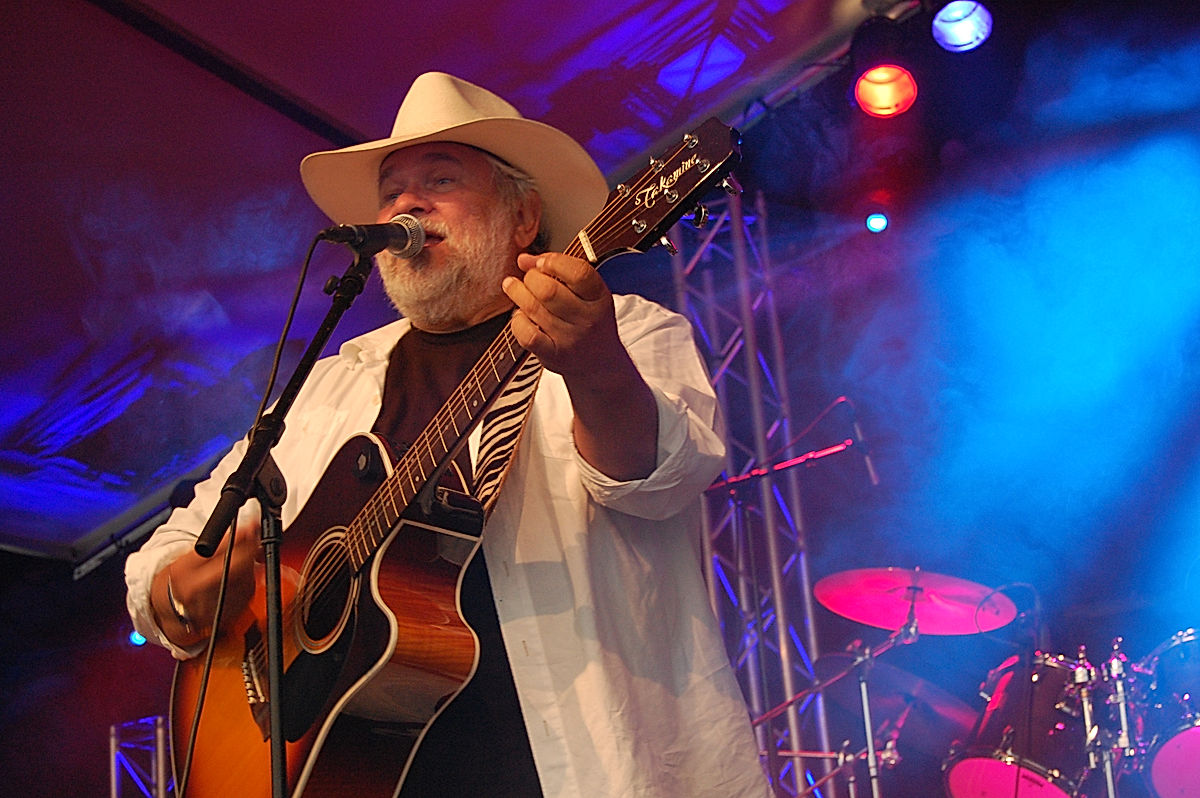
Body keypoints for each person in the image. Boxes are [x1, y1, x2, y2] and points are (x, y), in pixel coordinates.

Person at [125, 71, 769, 798]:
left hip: (579, 767)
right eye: (391, 188)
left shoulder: (628, 332)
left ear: (523, 219)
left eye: (441, 177)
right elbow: (174, 549)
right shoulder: (332, 384)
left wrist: (596, 370)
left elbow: (659, 480)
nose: (406, 201)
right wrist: (183, 593)